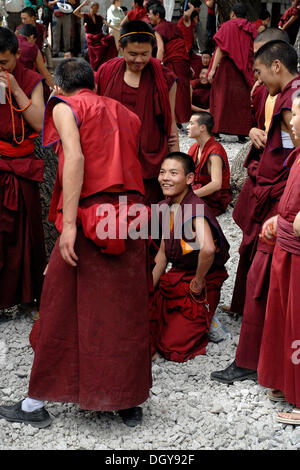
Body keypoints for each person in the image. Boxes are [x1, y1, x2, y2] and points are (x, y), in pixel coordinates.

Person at [0, 57, 152, 429]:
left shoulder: (67, 106)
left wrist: (68, 226)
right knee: (124, 309)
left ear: (58, 88)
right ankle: (127, 400)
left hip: (92, 216)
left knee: (59, 304)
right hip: (131, 216)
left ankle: (35, 404)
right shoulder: (123, 112)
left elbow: (77, 159)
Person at [211, 40, 300, 384]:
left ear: (276, 66)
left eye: (261, 73)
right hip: (277, 189)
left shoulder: (294, 100)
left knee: (262, 275)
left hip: (283, 199)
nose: (259, 82)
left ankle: (250, 359)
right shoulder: (286, 94)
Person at [225, 27, 290, 318]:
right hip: (263, 171)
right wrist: (254, 131)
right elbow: (264, 127)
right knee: (250, 246)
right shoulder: (269, 90)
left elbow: (292, 147)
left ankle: (260, 314)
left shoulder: (293, 98)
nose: (257, 77)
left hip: (278, 181)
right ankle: (244, 306)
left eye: (259, 67)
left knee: (266, 248)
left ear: (275, 60)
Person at [149, 152, 229, 362]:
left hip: (202, 281)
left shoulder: (195, 208)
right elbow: (163, 254)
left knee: (173, 346)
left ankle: (208, 317)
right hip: (178, 276)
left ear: (189, 179)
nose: (165, 178)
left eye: (173, 173)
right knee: (146, 323)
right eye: (162, 172)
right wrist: (150, 287)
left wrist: (198, 281)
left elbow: (208, 249)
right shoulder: (166, 206)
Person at [95, 20, 178, 206]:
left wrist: (175, 164)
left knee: (149, 219)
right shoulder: (106, 72)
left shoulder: (165, 78)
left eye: (145, 54)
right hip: (114, 156)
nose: (139, 60)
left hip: (150, 159)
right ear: (121, 47)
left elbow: (171, 123)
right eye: (132, 54)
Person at [256, 89, 300, 425]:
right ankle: (287, 382)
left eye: (298, 115)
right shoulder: (298, 154)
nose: (292, 121)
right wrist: (279, 218)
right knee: (284, 317)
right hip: (287, 245)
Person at [0, 27, 46, 314]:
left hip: (22, 164)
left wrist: (15, 88)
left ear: (18, 55)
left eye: (3, 62)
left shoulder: (32, 80)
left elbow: (40, 123)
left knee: (25, 235)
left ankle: (27, 296)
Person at [208, 2, 257, 142]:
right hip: (244, 71)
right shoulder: (251, 28)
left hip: (227, 68)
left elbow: (221, 49)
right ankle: (241, 133)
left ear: (233, 14)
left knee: (220, 97)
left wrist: (212, 70)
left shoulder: (227, 26)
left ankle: (216, 130)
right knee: (241, 100)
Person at [148, 3, 191, 125]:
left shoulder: (157, 29)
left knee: (171, 87)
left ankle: (174, 119)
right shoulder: (174, 26)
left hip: (172, 60)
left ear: (157, 14)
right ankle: (182, 118)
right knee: (182, 89)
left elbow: (160, 49)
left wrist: (157, 65)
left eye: (150, 14)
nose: (148, 17)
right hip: (182, 60)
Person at [187, 112, 231, 216]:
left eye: (191, 123)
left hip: (213, 199)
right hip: (198, 191)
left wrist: (191, 195)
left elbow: (216, 184)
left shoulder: (215, 152)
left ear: (202, 127)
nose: (187, 127)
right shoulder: (194, 148)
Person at [73, 0, 117, 71]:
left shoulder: (99, 17)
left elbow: (107, 24)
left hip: (99, 36)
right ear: (91, 7)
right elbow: (75, 12)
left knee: (111, 38)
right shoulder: (86, 16)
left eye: (97, 8)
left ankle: (107, 61)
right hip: (91, 38)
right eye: (95, 8)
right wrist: (83, 4)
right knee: (99, 49)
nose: (96, 10)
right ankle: (96, 65)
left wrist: (117, 29)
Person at [17, 23, 54, 89]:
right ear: (31, 37)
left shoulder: (10, 42)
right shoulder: (32, 47)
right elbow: (43, 72)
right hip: (24, 83)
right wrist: (57, 88)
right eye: (34, 41)